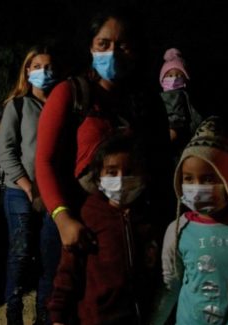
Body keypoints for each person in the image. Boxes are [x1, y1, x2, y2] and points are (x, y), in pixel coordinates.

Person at [34, 6, 173, 254]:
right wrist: (62, 218)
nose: (113, 53)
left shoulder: (148, 103)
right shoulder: (69, 94)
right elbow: (44, 161)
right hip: (75, 224)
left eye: (122, 45)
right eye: (103, 44)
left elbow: (161, 165)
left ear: (136, 50)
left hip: (132, 225)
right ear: (90, 47)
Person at [48, 133, 157, 325]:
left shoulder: (147, 217)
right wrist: (58, 317)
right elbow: (68, 270)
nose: (121, 180)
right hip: (96, 319)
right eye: (112, 172)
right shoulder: (89, 216)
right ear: (98, 176)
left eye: (129, 171)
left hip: (137, 318)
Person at [149, 116, 228, 325]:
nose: (196, 187)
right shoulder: (178, 229)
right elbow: (170, 285)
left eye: (209, 179)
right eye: (188, 178)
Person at [0, 45, 61, 325]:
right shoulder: (18, 105)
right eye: (37, 67)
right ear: (27, 70)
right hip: (18, 190)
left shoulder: (62, 106)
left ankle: (43, 312)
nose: (43, 72)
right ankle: (14, 309)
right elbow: (5, 151)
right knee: (21, 253)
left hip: (52, 191)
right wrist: (27, 186)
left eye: (48, 67)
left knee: (50, 254)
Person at [159, 47, 203, 163]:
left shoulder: (181, 96)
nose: (174, 78)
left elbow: (176, 126)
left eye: (179, 75)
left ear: (186, 78)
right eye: (169, 75)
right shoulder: (166, 97)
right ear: (162, 79)